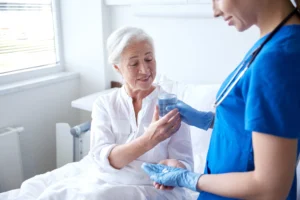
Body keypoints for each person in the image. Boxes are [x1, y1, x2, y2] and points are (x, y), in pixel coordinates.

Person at [142, 0, 300, 199]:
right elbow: (261, 127)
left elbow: (271, 188)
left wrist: (188, 179)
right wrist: (207, 120)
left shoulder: (277, 58)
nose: (215, 11)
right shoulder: (275, 42)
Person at [87, 26, 194, 199]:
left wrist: (175, 167)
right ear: (117, 68)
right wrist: (149, 140)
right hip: (109, 184)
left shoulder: (171, 105)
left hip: (155, 188)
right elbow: (103, 160)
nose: (145, 70)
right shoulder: (104, 104)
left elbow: (185, 162)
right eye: (134, 63)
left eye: (149, 59)